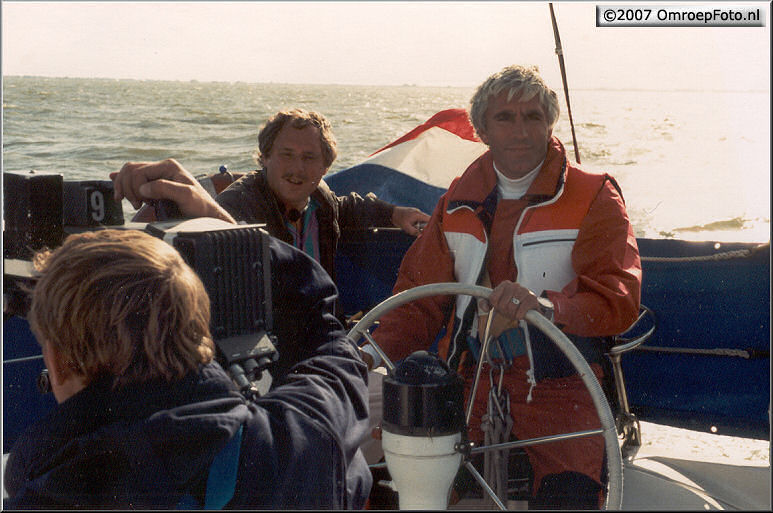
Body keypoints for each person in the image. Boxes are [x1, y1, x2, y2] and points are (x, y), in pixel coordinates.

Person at [363, 65, 642, 508]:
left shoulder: (595, 195)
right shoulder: (455, 202)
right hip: (470, 374)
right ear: (483, 130)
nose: (520, 130)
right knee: (408, 484)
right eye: (505, 118)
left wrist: (549, 307)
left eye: (532, 116)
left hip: (561, 382)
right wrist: (367, 356)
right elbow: (418, 302)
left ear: (549, 124)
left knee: (570, 496)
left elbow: (618, 298)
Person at [3, 229, 372, 509]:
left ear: (58, 363)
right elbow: (330, 349)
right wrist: (235, 236)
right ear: (199, 331)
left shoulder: (40, 490)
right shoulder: (299, 440)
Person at [110, 108, 429, 283]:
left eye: (309, 158)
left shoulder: (321, 199)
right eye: (286, 155)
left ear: (325, 166)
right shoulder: (238, 205)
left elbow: (349, 207)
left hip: (319, 325)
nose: (297, 169)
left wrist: (396, 214)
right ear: (264, 158)